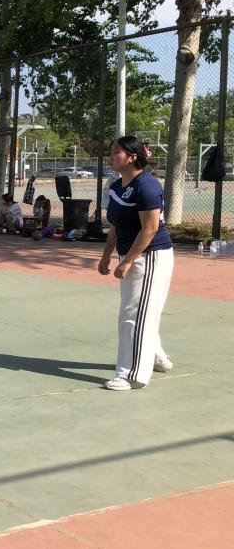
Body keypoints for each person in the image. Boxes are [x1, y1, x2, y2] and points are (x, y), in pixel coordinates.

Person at [97, 136, 174, 391]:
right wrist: (107, 255)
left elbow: (150, 229)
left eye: (116, 152)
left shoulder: (147, 185)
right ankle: (156, 356)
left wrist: (128, 260)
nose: (111, 156)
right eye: (111, 151)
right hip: (131, 255)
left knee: (133, 315)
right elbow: (116, 226)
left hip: (150, 256)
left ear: (132, 157)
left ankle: (132, 375)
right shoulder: (117, 186)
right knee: (141, 311)